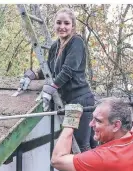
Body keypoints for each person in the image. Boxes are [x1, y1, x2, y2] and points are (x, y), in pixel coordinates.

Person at [19, 8, 96, 152]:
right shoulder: (55, 46)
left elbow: (68, 70)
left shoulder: (76, 42)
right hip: (70, 101)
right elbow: (49, 69)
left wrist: (52, 87)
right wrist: (33, 75)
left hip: (81, 100)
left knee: (82, 145)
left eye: (66, 23)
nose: (62, 27)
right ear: (54, 25)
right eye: (58, 23)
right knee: (88, 144)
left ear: (72, 26)